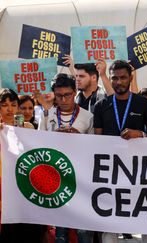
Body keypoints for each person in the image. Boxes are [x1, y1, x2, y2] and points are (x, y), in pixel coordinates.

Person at [93, 60, 147, 243]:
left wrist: (140, 134)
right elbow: (97, 142)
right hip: (111, 172)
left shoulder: (143, 104)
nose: (119, 82)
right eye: (115, 78)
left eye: (123, 78)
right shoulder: (101, 106)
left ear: (130, 78)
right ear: (109, 79)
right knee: (109, 223)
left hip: (140, 172)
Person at [37, 73, 94, 243]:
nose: (63, 99)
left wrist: (79, 137)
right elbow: (38, 143)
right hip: (56, 181)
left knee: (83, 231)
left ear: (75, 91)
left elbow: (95, 147)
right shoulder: (48, 114)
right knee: (60, 232)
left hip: (81, 181)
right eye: (59, 95)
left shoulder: (87, 116)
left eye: (67, 95)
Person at [0, 88, 44, 243]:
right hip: (3, 191)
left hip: (25, 186)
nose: (9, 109)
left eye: (13, 104)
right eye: (4, 105)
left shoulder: (27, 127)